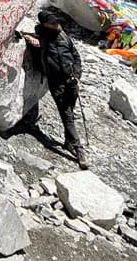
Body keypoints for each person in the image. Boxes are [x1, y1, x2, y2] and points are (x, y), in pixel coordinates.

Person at [23, 11, 88, 169]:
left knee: (69, 112)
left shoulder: (64, 36)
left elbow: (76, 57)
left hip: (72, 81)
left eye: (56, 22)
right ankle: (79, 149)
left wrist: (77, 75)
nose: (56, 24)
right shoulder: (42, 36)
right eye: (52, 23)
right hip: (56, 83)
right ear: (45, 24)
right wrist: (28, 38)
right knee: (67, 115)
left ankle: (68, 142)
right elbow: (27, 36)